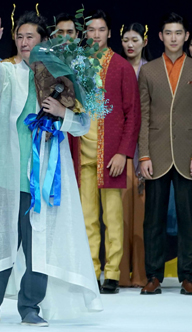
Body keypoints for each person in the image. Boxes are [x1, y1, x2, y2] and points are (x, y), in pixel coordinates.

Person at [0, 14, 101, 326]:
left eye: (31, 37)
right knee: (1, 237)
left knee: (38, 244)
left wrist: (63, 112)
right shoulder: (10, 72)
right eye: (20, 37)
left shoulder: (60, 75)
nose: (25, 43)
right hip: (7, 174)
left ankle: (30, 307)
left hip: (43, 178)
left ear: (42, 41)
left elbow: (82, 124)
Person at [69, 9, 141, 294]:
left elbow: (132, 114)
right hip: (81, 152)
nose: (95, 35)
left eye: (101, 30)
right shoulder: (77, 65)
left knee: (112, 217)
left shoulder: (121, 67)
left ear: (109, 33)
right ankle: (91, 270)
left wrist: (123, 153)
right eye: (91, 30)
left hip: (110, 155)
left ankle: (111, 273)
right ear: (85, 33)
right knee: (86, 218)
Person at [138, 12, 192, 296]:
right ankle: (154, 275)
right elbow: (144, 115)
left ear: (186, 36)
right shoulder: (149, 71)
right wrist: (144, 155)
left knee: (189, 217)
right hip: (156, 154)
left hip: (187, 153)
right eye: (168, 33)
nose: (173, 37)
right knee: (153, 218)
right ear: (160, 37)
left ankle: (188, 275)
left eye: (178, 32)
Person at [119, 22, 151, 288]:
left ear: (145, 41)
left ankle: (141, 273)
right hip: (120, 149)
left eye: (135, 39)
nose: (130, 44)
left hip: (145, 149)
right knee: (120, 215)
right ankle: (118, 272)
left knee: (141, 216)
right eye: (126, 39)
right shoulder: (116, 69)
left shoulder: (150, 71)